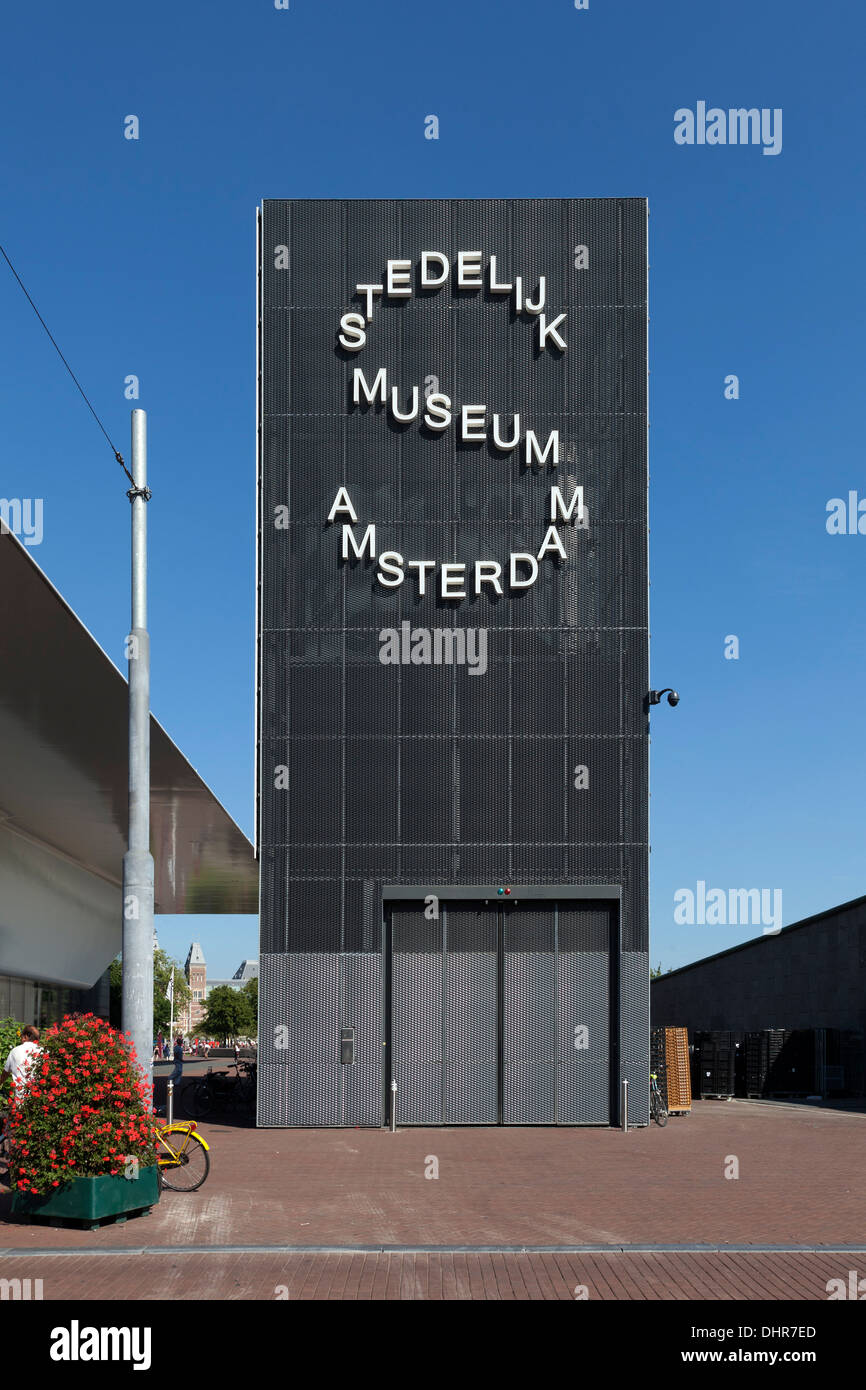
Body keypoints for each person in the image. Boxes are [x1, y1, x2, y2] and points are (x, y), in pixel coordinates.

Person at [3, 1025, 41, 1096]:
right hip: (39, 1099)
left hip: (20, 1099)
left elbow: (5, 1073)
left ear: (25, 1037)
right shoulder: (43, 1051)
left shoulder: (15, 1051)